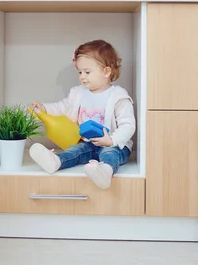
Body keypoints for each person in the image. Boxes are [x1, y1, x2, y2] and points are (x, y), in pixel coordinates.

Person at [29, 39, 136, 189]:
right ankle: (56, 162)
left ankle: (105, 171)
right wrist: (44, 108)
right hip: (87, 143)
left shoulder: (118, 96)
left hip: (115, 145)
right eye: (80, 72)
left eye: (87, 72)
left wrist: (111, 140)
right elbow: (62, 107)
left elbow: (128, 125)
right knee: (75, 151)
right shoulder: (78, 93)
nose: (82, 77)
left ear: (106, 71)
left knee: (110, 154)